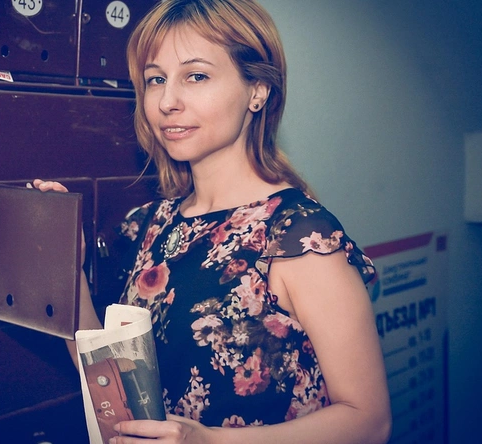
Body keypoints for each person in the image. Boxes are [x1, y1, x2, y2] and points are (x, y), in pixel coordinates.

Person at [33, 0, 391, 442]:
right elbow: (113, 387)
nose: (167, 101)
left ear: (257, 90)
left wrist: (209, 441)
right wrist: (66, 271)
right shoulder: (150, 224)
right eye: (156, 80)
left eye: (196, 76)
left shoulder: (296, 235)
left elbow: (369, 421)